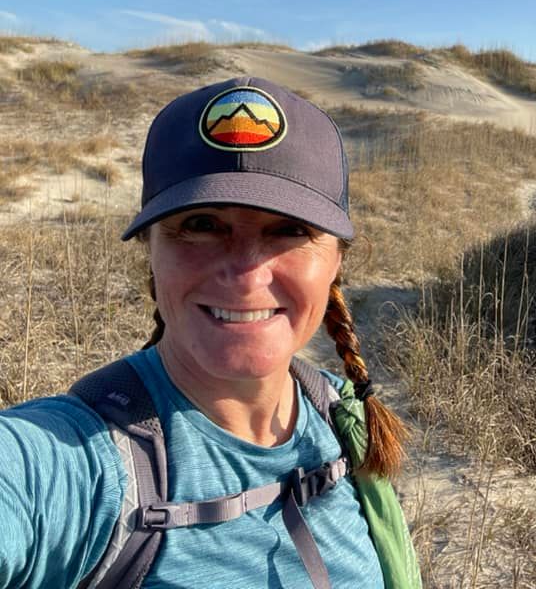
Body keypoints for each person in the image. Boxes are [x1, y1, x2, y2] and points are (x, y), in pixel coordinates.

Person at [0, 77, 418, 588]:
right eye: (200, 224)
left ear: (336, 262)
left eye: (288, 229)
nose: (245, 272)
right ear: (151, 254)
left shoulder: (335, 415)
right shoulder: (77, 463)